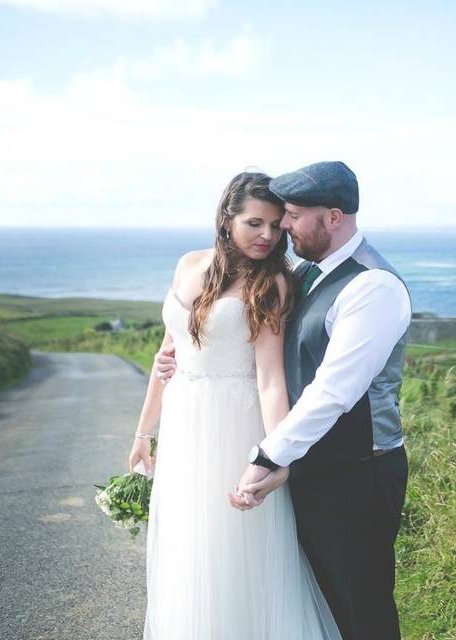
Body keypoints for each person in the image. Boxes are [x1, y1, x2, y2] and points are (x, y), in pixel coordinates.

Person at [157, 161, 412, 640]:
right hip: (312, 462)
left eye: (291, 216)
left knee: (362, 605)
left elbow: (333, 390)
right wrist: (181, 351)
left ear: (333, 218)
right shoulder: (308, 273)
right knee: (319, 600)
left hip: (358, 468)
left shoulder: (373, 286)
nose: (282, 228)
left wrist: (270, 454)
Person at [128, 171, 341, 640]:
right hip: (186, 423)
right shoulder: (188, 264)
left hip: (234, 426)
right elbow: (167, 354)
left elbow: (269, 379)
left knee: (230, 547)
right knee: (189, 547)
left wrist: (276, 454)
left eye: (276, 225)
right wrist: (145, 433)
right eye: (254, 223)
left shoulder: (274, 284)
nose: (267, 236)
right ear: (227, 220)